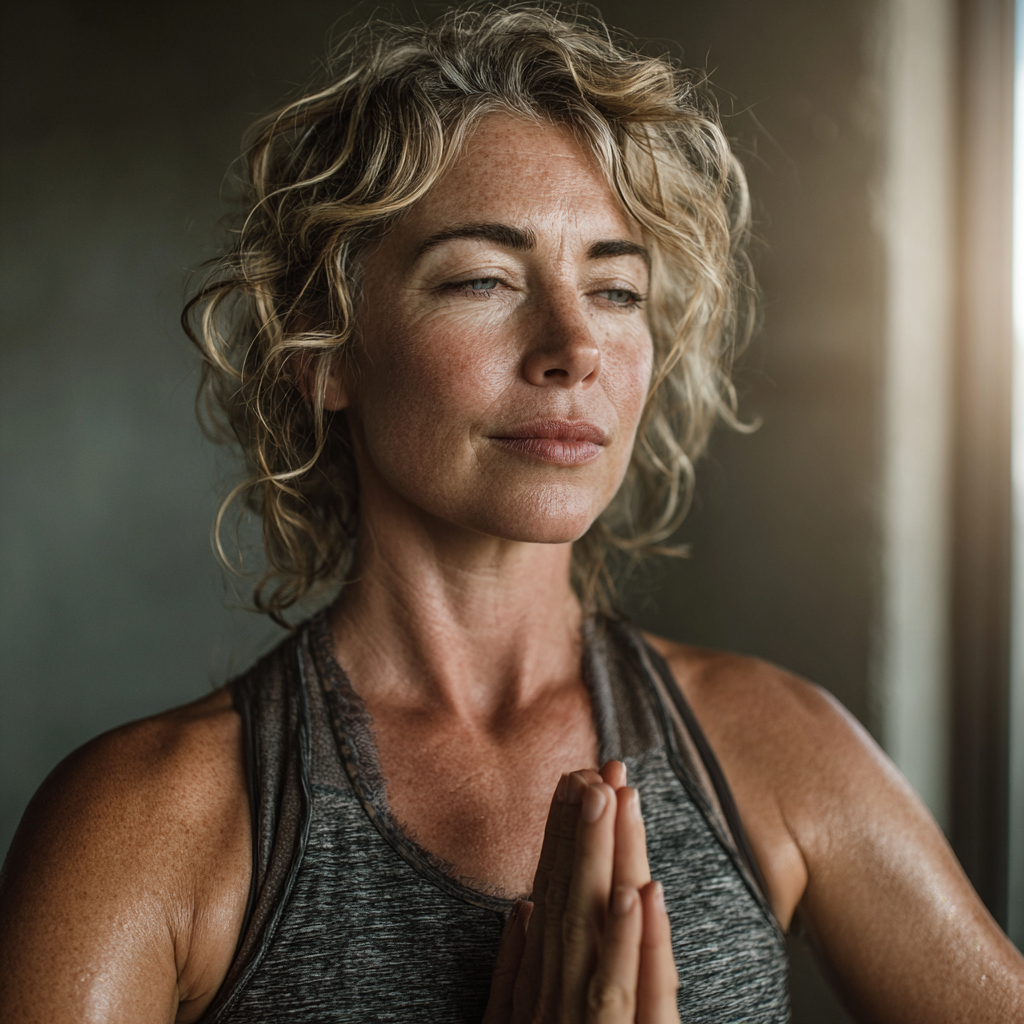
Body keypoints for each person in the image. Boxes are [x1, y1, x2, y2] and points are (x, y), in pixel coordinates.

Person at [1, 6, 1021, 1023]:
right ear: (326, 353)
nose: (572, 346)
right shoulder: (141, 827)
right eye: (482, 279)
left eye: (615, 290)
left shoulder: (780, 749)